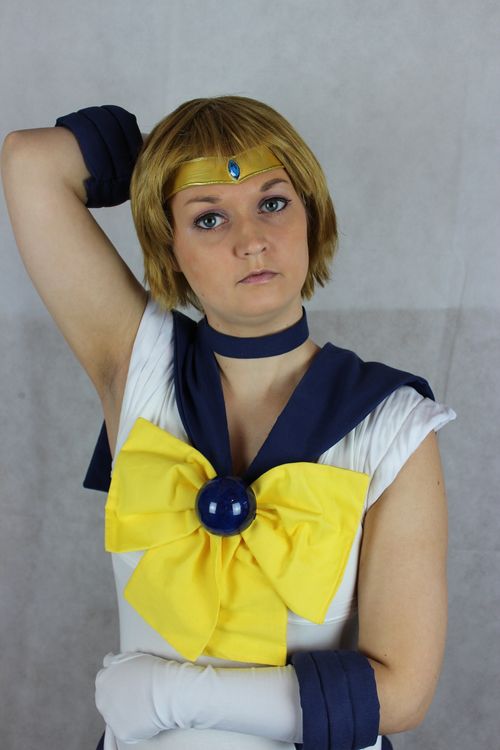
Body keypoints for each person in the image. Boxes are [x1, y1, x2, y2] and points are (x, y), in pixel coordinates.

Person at [1, 97, 455, 750]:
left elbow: (403, 693)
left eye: (273, 202)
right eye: (208, 217)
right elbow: (29, 160)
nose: (251, 240)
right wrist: (178, 152)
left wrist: (170, 694)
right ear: (169, 246)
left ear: (311, 214)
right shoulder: (138, 364)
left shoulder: (395, 423)